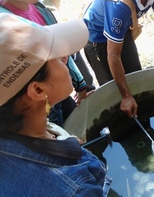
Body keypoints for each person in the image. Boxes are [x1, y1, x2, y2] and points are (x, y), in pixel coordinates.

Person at [0, 13, 106, 195]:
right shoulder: (75, 188)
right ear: (38, 91)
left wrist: (64, 140)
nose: (65, 57)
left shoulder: (19, 125)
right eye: (55, 56)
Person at [0, 0, 89, 126]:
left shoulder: (40, 8)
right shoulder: (7, 25)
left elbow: (64, 50)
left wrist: (81, 84)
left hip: (58, 89)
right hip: (38, 106)